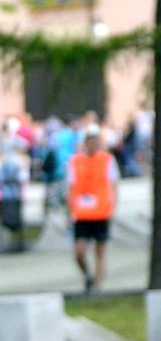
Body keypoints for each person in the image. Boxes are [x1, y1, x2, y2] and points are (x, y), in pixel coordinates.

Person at [67, 124, 119, 293]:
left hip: (101, 212)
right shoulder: (75, 161)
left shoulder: (107, 160)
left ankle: (97, 285)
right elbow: (70, 187)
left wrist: (113, 207)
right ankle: (88, 275)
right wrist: (69, 211)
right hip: (82, 214)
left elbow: (114, 185)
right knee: (79, 252)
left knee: (100, 250)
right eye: (90, 140)